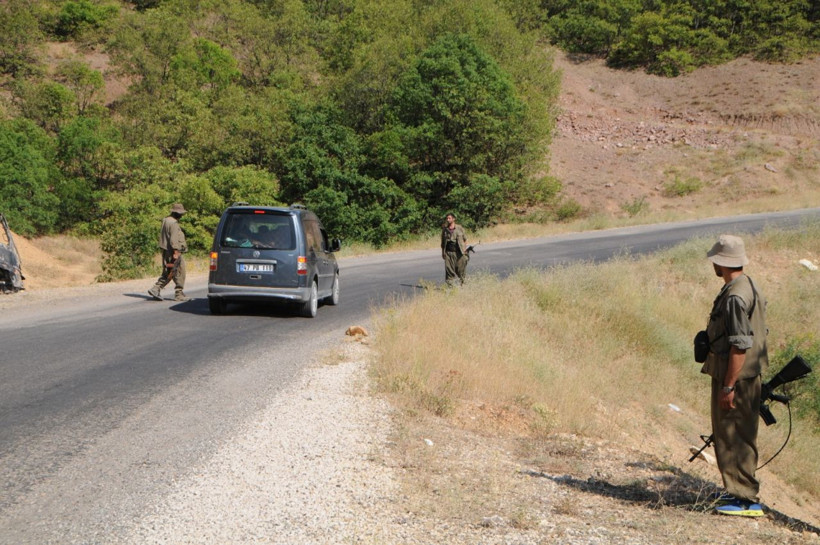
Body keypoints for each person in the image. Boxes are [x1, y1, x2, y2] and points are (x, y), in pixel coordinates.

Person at [701, 234, 768, 517]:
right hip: (745, 376)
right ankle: (738, 490)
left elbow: (740, 345)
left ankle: (743, 499)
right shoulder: (746, 284)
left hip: (737, 378)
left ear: (721, 262)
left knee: (732, 435)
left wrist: (728, 387)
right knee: (739, 434)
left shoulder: (735, 296)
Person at [147, 203, 190, 302]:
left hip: (166, 250)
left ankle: (156, 288)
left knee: (169, 271)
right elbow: (174, 239)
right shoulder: (173, 223)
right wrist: (176, 251)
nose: (181, 215)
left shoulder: (165, 220)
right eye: (180, 213)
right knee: (179, 272)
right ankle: (178, 294)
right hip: (173, 251)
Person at [440, 213, 469, 286]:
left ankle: (463, 285)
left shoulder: (459, 228)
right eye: (447, 218)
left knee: (460, 270)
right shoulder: (445, 230)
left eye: (449, 218)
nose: (448, 220)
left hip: (459, 252)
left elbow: (465, 239)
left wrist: (465, 250)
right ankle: (450, 288)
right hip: (449, 253)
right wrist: (443, 253)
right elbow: (443, 243)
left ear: (453, 219)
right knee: (449, 271)